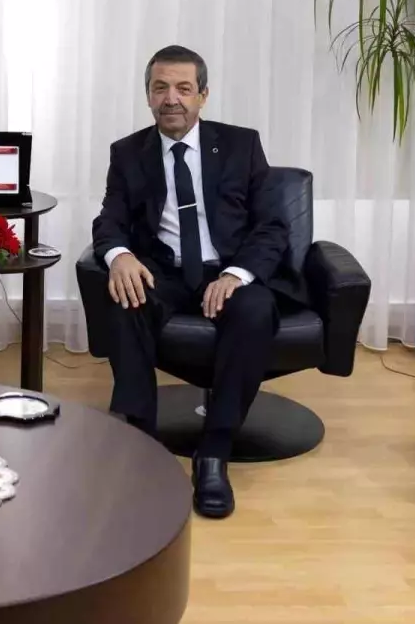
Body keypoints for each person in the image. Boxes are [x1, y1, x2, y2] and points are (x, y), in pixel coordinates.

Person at [90, 45, 292, 519]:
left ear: (203, 95)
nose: (172, 98)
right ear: (148, 95)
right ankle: (140, 443)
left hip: (227, 268)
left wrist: (236, 275)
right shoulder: (128, 153)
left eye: (183, 88)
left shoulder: (241, 145)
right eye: (160, 88)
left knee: (255, 309)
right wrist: (120, 256)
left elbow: (272, 226)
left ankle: (214, 453)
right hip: (163, 270)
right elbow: (109, 220)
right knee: (125, 298)